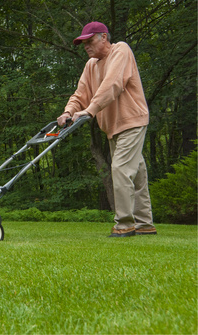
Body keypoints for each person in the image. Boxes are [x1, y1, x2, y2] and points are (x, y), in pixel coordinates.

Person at [57, 21, 157, 237]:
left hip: (132, 121)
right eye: (83, 43)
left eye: (89, 41)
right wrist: (68, 111)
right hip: (112, 127)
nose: (86, 46)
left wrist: (90, 110)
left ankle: (124, 224)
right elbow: (80, 93)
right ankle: (145, 223)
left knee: (120, 168)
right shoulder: (91, 65)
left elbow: (113, 84)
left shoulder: (121, 50)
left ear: (104, 37)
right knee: (137, 174)